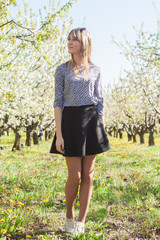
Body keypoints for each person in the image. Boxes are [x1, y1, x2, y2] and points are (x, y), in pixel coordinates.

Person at [50, 27, 111, 235]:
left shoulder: (96, 70)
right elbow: (58, 103)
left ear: (84, 43)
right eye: (68, 39)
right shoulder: (61, 70)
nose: (69, 43)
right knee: (74, 175)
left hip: (92, 122)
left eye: (74, 40)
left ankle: (81, 222)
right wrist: (59, 134)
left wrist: (101, 128)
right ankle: (69, 215)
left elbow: (100, 101)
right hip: (70, 122)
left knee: (88, 175)